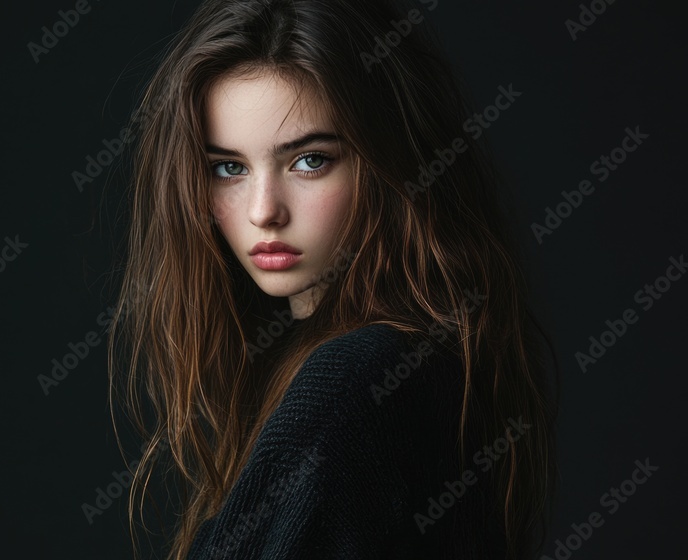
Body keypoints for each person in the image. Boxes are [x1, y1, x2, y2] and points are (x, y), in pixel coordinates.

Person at [106, 0, 559, 558]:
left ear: (390, 159)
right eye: (228, 168)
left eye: (310, 161)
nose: (262, 211)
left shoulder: (355, 382)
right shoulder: (421, 360)